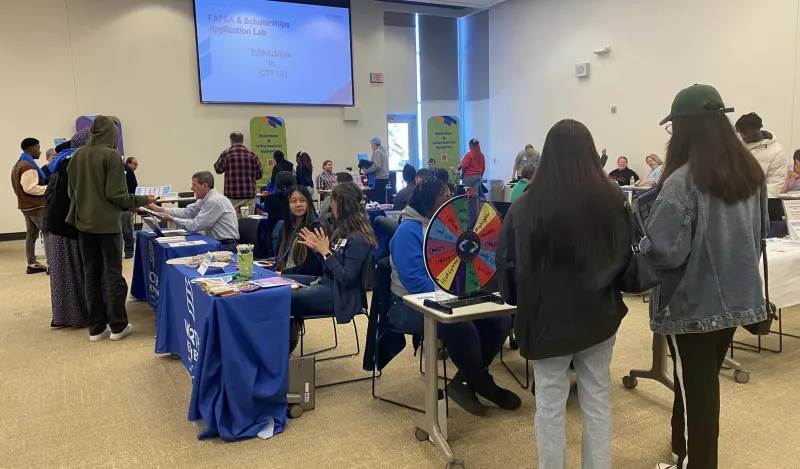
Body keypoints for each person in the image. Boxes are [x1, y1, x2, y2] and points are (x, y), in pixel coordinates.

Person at [647, 84, 768, 469]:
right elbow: (760, 234)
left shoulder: (682, 181)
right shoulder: (751, 173)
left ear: (684, 128)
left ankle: (696, 463)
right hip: (739, 301)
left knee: (697, 392)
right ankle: (683, 455)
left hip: (692, 304)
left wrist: (640, 243)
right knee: (699, 385)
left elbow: (665, 252)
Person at [496, 119, 630, 468]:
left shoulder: (525, 206)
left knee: (550, 408)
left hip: (544, 321)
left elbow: (507, 269)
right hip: (600, 316)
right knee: (598, 402)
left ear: (547, 154)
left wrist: (516, 306)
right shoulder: (612, 200)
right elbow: (627, 256)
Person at [389, 178, 520, 415]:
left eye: (450, 196)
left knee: (499, 320)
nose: (449, 202)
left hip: (447, 295)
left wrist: (467, 288)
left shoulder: (447, 226)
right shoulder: (408, 231)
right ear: (427, 203)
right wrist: (456, 291)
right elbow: (416, 282)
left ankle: (464, 382)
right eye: (443, 199)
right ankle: (484, 385)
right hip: (407, 304)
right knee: (462, 328)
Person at [67, 116, 154, 342]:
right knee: (113, 275)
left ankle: (96, 328)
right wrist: (144, 199)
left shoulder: (77, 155)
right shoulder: (111, 155)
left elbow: (71, 193)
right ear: (112, 134)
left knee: (91, 275)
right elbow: (116, 195)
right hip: (106, 226)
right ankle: (118, 326)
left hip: (83, 224)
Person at [283, 182, 377, 352]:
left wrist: (326, 253)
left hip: (340, 296)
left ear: (342, 205)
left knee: (280, 296)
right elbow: (331, 266)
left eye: (332, 201)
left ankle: (284, 346)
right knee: (279, 280)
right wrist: (318, 251)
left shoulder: (359, 239)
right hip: (327, 284)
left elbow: (347, 279)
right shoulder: (343, 231)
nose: (330, 205)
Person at [44, 129, 93, 329]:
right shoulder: (75, 163)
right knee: (76, 271)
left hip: (58, 225)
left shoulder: (62, 162)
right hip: (69, 226)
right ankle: (78, 315)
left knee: (64, 273)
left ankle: (66, 315)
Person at [147, 171, 239, 252]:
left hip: (226, 246)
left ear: (204, 186)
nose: (191, 188)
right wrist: (159, 209)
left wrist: (172, 219)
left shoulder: (214, 201)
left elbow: (195, 225)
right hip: (216, 243)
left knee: (183, 253)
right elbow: (186, 212)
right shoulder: (204, 199)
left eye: (194, 185)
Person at [735, 112, 789, 220]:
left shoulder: (776, 151)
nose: (741, 136)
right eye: (740, 133)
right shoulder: (738, 146)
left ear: (756, 131)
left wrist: (751, 200)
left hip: (762, 207)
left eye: (744, 133)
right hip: (737, 204)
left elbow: (775, 185)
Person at [12, 137, 49, 274]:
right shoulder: (28, 166)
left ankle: (32, 263)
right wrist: (48, 188)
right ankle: (52, 264)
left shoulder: (18, 164)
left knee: (31, 234)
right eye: (38, 149)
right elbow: (30, 188)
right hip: (36, 206)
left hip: (25, 206)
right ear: (31, 149)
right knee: (47, 232)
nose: (39, 152)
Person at [276, 186, 325, 276]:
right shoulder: (286, 228)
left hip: (304, 280)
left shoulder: (315, 228)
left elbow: (313, 267)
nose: (298, 204)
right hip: (283, 275)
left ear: (308, 202)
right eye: (293, 201)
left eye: (302, 200)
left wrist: (284, 273)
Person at [214, 131, 263, 217]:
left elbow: (218, 169)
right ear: (242, 140)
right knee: (248, 222)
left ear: (231, 141)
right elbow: (259, 174)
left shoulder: (226, 154)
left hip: (232, 196)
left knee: (233, 222)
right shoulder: (252, 154)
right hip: (248, 195)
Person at [121, 157, 139, 259]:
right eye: (134, 164)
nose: (136, 167)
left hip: (117, 207)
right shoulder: (128, 171)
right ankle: (129, 252)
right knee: (127, 230)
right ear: (128, 163)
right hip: (126, 206)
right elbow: (134, 187)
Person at [363, 137, 389, 203]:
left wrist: (367, 170)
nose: (371, 146)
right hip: (384, 177)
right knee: (382, 198)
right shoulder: (382, 152)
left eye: (371, 144)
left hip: (379, 178)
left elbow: (377, 165)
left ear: (374, 144)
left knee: (377, 200)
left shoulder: (377, 152)